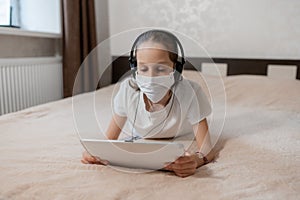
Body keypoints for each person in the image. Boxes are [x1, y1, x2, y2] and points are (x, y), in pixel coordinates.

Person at [81, 29, 215, 178]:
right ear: (134, 69)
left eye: (160, 69)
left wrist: (196, 160)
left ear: (176, 69)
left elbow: (207, 149)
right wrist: (96, 154)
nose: (150, 78)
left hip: (182, 134)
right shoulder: (127, 90)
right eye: (143, 69)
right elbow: (110, 140)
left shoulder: (191, 92)